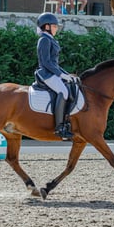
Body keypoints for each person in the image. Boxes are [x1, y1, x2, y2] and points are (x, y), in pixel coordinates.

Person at [35, 12, 74, 140]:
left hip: (52, 72)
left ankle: (67, 122)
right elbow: (46, 62)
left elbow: (55, 63)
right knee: (63, 91)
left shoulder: (50, 39)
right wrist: (60, 74)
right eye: (54, 26)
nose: (56, 28)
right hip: (46, 74)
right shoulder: (44, 40)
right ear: (47, 27)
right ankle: (59, 127)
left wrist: (66, 75)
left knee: (70, 87)